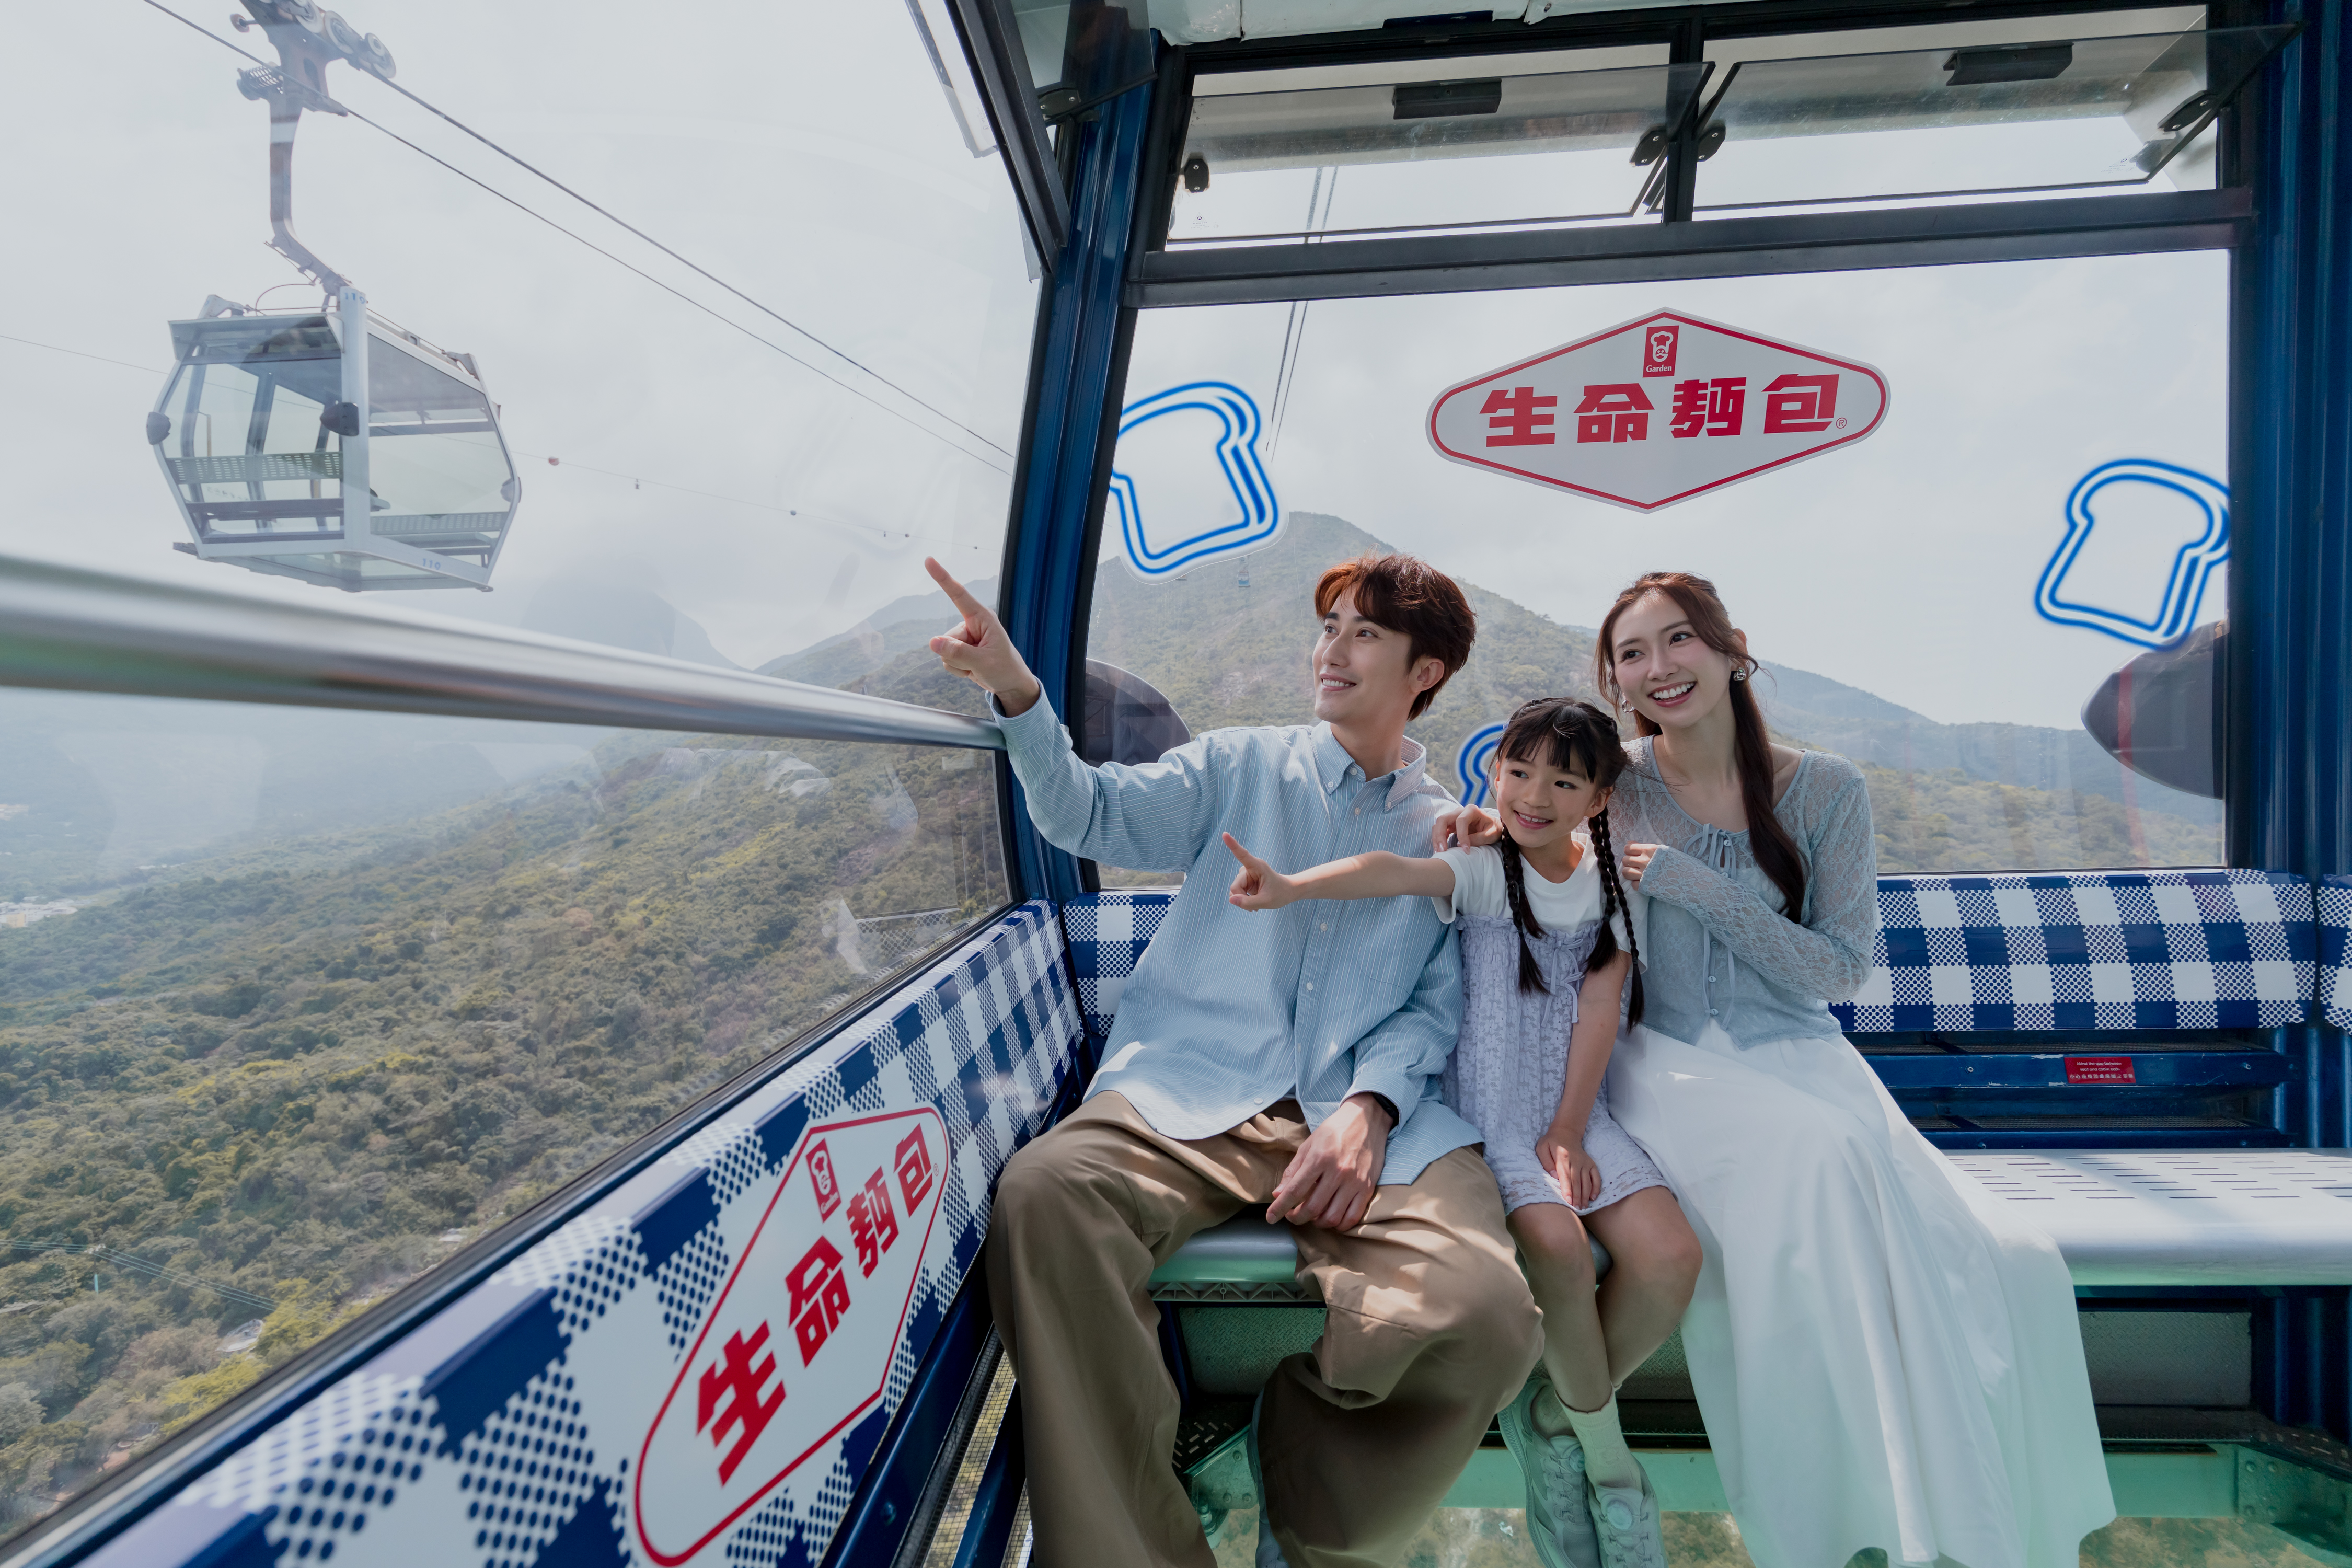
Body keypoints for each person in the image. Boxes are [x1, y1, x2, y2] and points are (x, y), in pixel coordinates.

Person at [1440, 573, 2114, 1568]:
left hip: (1803, 1056)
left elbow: (1839, 970)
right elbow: (1534, 822)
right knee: (1823, 1165)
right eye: (1632, 654)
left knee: (2000, 1258)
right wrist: (1472, 828)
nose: (1660, 667)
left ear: (1731, 649)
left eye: (1680, 640)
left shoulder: (1827, 789)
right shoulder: (1618, 782)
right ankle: (1837, 1519)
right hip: (1664, 1060)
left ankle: (1931, 1515)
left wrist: (1702, 890)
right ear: (1615, 680)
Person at [923, 551, 1544, 1568]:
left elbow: (1434, 1006)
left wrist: (1371, 1108)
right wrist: (1017, 690)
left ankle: (1311, 1518)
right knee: (1048, 1194)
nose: (1332, 651)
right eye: (1329, 627)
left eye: (1365, 634)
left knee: (1484, 1315)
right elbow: (1087, 814)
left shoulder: (1451, 839)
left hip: (1365, 1119)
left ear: (1425, 671)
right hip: (1189, 1090)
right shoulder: (1238, 765)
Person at [1225, 697, 1703, 1568]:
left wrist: (1571, 1129)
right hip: (1489, 1119)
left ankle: (1555, 1415)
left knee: (1673, 1258)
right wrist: (1292, 887)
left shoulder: (1613, 887)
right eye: (1519, 772)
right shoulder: (1484, 869)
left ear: (1600, 799)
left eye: (1565, 782)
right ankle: (1611, 1468)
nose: (1535, 795)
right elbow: (1389, 872)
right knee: (1556, 1247)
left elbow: (1601, 1009)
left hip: (1579, 1112)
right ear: (1495, 771)